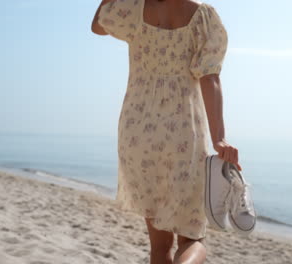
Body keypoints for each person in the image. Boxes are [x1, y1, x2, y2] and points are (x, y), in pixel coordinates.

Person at [91, 0, 242, 263]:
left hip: (137, 132)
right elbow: (210, 78)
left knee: (160, 246)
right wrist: (219, 137)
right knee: (192, 239)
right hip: (182, 133)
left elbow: (98, 25)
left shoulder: (135, 9)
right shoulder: (201, 17)